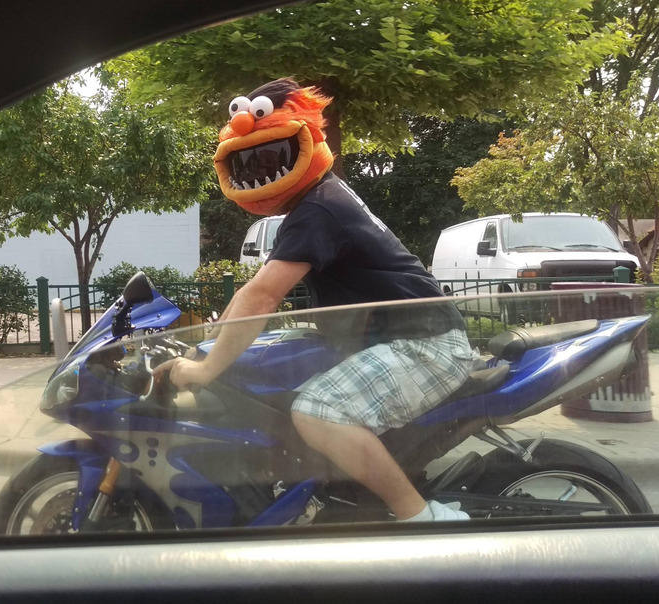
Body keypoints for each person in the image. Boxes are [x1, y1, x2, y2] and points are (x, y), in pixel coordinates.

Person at [154, 78, 475, 522]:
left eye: (270, 156)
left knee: (318, 411)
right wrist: (205, 347)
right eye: (248, 161)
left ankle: (420, 518)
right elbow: (252, 291)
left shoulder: (318, 209)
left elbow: (262, 296)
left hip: (425, 345)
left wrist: (206, 368)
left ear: (304, 141)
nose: (259, 168)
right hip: (401, 339)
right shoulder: (318, 201)